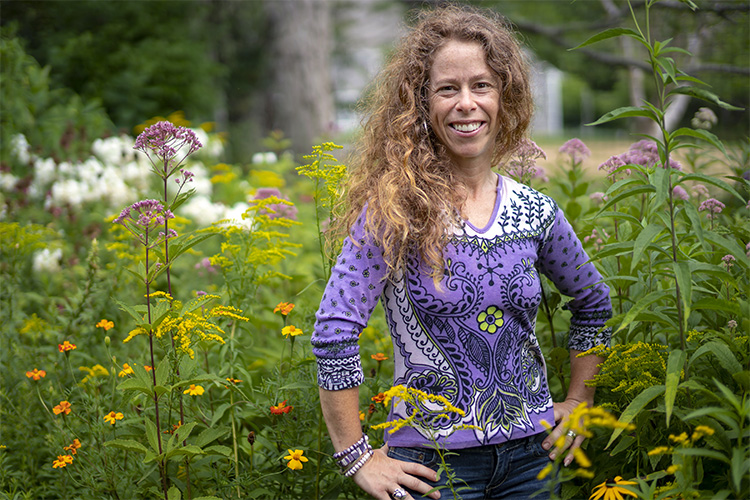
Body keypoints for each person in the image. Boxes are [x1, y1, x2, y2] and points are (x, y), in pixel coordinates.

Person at [311, 5, 612, 500]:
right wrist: (356, 456)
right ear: (420, 103)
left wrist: (580, 400)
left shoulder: (536, 211)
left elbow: (594, 303)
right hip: (430, 470)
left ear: (504, 96)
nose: (466, 103)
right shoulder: (394, 211)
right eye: (447, 89)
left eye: (482, 86)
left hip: (532, 462)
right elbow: (333, 330)